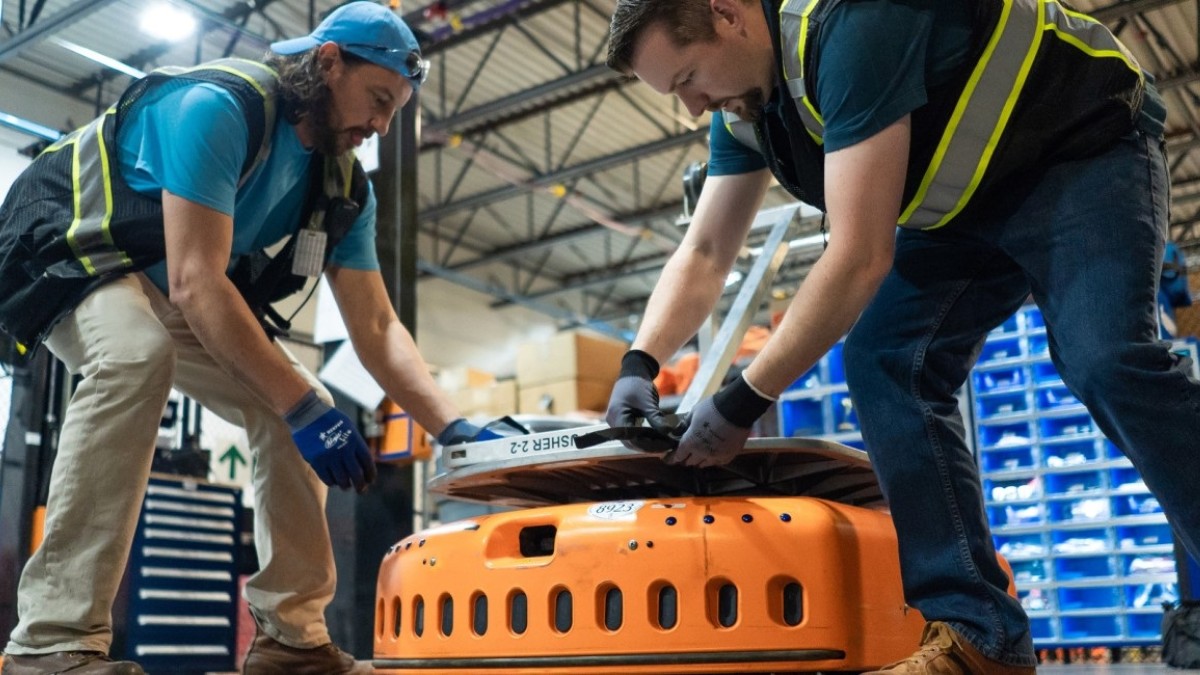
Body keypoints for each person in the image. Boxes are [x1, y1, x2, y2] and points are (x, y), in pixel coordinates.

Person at [604, 0, 1200, 672]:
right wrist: (638, 362)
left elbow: (859, 257)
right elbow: (707, 250)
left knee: (1106, 358)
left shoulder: (855, 24)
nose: (693, 108)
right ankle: (980, 639)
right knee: (885, 363)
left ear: (728, 14)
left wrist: (743, 400)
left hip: (1080, 151)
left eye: (687, 79)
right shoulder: (749, 109)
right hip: (966, 207)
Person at [0, 3, 492, 673]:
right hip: (65, 245)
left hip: (166, 276)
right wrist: (303, 408)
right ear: (327, 63)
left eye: (394, 112)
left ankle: (291, 639)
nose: (380, 125)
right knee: (135, 355)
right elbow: (198, 283)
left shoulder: (342, 187)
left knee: (290, 398)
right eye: (378, 99)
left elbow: (377, 326)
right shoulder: (219, 108)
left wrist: (456, 428)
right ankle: (51, 642)